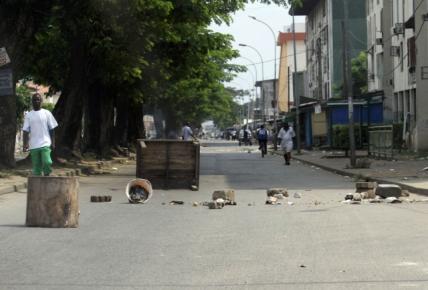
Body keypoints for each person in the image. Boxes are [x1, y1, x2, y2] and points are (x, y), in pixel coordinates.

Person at [23, 93, 58, 176]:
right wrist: (25, 144)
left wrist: (53, 142)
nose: (36, 101)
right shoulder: (29, 115)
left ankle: (47, 174)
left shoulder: (47, 113)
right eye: (34, 100)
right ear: (32, 102)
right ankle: (38, 185)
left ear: (41, 101)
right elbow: (25, 131)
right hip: (34, 145)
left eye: (38, 99)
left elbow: (52, 129)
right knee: (36, 167)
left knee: (47, 161)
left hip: (45, 143)